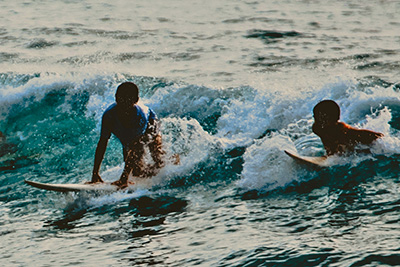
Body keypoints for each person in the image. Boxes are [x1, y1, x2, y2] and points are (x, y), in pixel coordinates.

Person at [89, 82, 165, 188]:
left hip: (150, 124)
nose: (123, 104)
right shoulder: (109, 115)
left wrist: (123, 178)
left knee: (157, 157)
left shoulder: (140, 116)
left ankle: (171, 163)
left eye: (127, 100)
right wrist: (95, 174)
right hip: (128, 132)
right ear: (116, 98)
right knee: (136, 172)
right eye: (120, 99)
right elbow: (102, 143)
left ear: (135, 100)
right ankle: (148, 172)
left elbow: (136, 146)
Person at [312, 100, 383, 156]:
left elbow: (370, 135)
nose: (314, 118)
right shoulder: (317, 128)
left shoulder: (342, 130)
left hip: (362, 146)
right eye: (315, 116)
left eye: (318, 117)